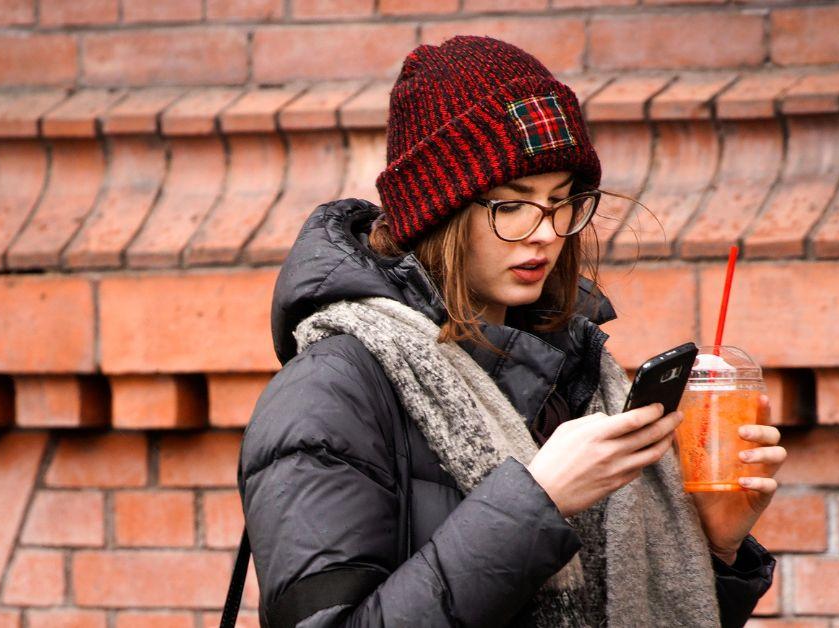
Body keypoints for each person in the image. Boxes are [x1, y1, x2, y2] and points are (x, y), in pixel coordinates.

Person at [237, 35, 784, 627]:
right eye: (512, 203)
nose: (546, 231)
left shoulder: (569, 376)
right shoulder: (329, 391)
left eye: (561, 199)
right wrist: (536, 501)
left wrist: (715, 550)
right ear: (439, 210)